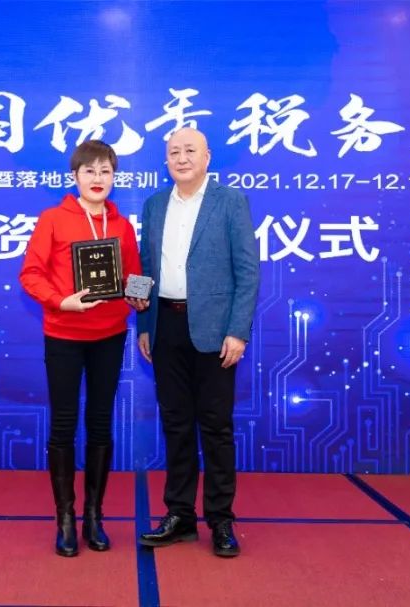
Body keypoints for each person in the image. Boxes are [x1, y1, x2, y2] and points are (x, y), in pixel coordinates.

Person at [134, 127, 259, 557]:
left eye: (190, 150)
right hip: (165, 327)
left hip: (216, 331)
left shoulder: (230, 202)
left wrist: (238, 330)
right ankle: (180, 515)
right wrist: (144, 323)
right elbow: (145, 266)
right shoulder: (154, 205)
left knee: (216, 427)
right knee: (176, 425)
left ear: (207, 157)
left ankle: (221, 521)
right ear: (166, 160)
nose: (182, 158)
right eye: (174, 152)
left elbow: (248, 272)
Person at [20, 139, 145, 557]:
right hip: (64, 334)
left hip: (110, 334)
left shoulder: (122, 226)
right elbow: (30, 274)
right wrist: (61, 301)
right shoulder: (53, 219)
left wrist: (139, 296)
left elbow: (133, 275)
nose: (97, 178)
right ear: (74, 176)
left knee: (100, 425)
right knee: (63, 425)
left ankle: (94, 516)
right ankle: (65, 518)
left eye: (106, 171)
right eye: (89, 170)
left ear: (114, 177)